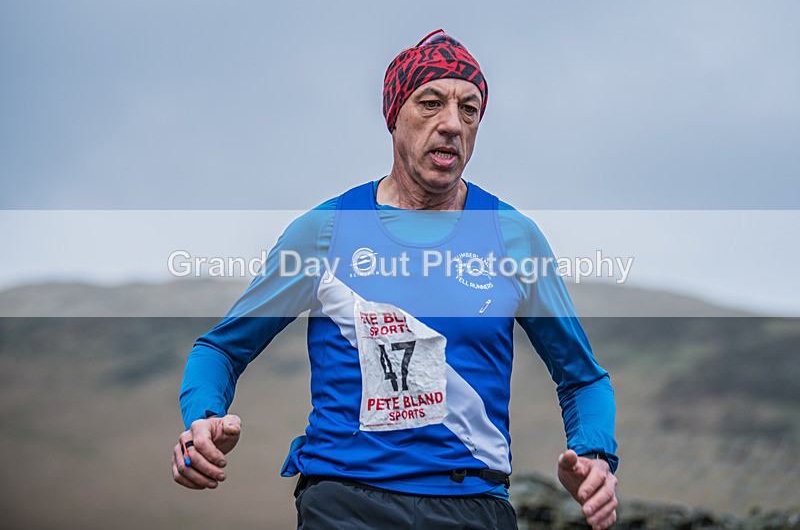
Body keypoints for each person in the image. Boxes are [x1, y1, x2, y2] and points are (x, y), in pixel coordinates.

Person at [171, 29, 619, 530]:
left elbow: (584, 379)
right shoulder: (325, 231)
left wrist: (595, 454)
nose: (451, 123)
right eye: (431, 103)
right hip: (345, 503)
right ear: (395, 116)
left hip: (471, 505)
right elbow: (221, 349)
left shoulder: (513, 237)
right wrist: (203, 419)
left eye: (469, 110)